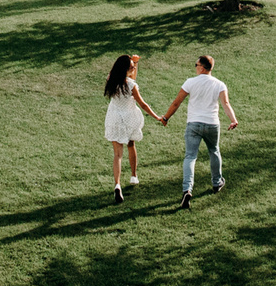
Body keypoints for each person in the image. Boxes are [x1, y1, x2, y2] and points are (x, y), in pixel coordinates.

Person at [158, 53, 238, 210]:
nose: (195, 68)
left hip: (193, 124)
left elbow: (176, 102)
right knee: (214, 151)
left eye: (196, 65)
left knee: (190, 157)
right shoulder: (219, 84)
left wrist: (166, 118)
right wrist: (233, 120)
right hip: (212, 124)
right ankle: (217, 182)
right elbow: (226, 104)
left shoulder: (190, 82)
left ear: (202, 68)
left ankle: (187, 189)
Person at [101, 53, 158, 205]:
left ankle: (117, 184)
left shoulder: (111, 79)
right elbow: (143, 104)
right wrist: (157, 117)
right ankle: (133, 175)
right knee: (131, 145)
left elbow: (131, 77)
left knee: (117, 154)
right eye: (132, 67)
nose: (133, 68)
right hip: (129, 118)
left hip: (114, 118)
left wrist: (135, 62)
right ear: (126, 69)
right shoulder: (131, 86)